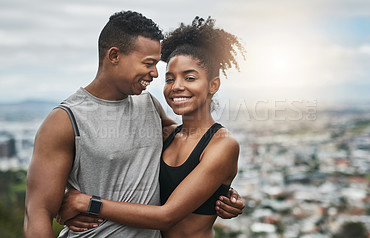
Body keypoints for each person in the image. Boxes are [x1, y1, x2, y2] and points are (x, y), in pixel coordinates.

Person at [24, 11, 244, 238]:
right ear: (114, 56)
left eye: (188, 77)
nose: (155, 74)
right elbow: (38, 212)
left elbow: (194, 153)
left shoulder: (148, 104)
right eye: (149, 63)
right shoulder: (65, 119)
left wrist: (219, 192)